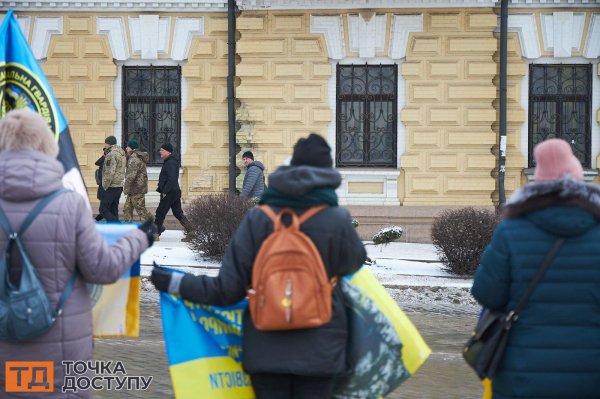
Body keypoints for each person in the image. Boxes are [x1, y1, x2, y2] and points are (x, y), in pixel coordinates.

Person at [151, 133, 366, 399]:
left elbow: (226, 290)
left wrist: (173, 281)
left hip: (266, 352)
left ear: (288, 170)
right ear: (327, 175)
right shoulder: (337, 221)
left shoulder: (258, 220)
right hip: (322, 354)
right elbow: (355, 264)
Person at [0, 108, 156, 398]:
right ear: (46, 145)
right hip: (59, 349)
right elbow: (103, 268)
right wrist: (138, 238)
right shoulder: (69, 204)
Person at [471, 138, 600, 399]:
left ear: (537, 182)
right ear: (578, 179)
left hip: (520, 372)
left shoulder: (510, 231)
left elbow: (486, 293)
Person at [155, 142, 190, 241]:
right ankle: (191, 231)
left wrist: (165, 191)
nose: (160, 152)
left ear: (168, 152)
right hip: (174, 191)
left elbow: (172, 179)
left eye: (162, 150)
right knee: (178, 212)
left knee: (160, 212)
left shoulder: (170, 162)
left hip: (170, 192)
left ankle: (155, 233)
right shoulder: (170, 161)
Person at [123, 138, 151, 222]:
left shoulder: (134, 158)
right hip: (134, 189)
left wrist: (126, 189)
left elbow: (131, 176)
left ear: (131, 148)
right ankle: (128, 230)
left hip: (137, 189)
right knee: (127, 209)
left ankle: (156, 227)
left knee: (141, 211)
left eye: (127, 147)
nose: (126, 148)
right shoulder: (134, 157)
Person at [100, 135, 126, 222]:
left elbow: (109, 172)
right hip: (119, 185)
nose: (104, 146)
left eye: (105, 144)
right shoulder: (121, 153)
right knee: (113, 209)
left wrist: (104, 186)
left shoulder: (111, 155)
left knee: (103, 209)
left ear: (108, 144)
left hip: (111, 186)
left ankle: (117, 224)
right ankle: (115, 231)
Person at [93, 147, 109, 221]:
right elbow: (97, 163)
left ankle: (100, 218)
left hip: (104, 186)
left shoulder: (107, 162)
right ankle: (100, 217)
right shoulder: (103, 161)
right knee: (103, 204)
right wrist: (103, 157)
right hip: (101, 185)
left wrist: (104, 157)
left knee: (103, 206)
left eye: (104, 153)